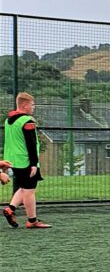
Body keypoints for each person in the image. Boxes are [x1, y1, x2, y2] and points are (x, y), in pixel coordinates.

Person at [2, 92, 51, 229]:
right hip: (26, 161)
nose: (33, 108)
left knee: (23, 188)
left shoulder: (8, 120)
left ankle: (10, 209)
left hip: (12, 160)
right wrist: (34, 164)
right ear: (24, 106)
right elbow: (31, 143)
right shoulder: (27, 121)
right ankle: (32, 220)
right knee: (29, 191)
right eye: (32, 105)